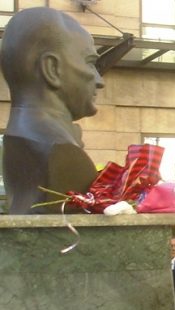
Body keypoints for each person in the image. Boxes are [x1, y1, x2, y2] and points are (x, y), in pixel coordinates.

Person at [1, 7, 103, 214]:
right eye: (90, 63)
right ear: (52, 69)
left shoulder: (17, 139)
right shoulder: (59, 150)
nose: (100, 81)